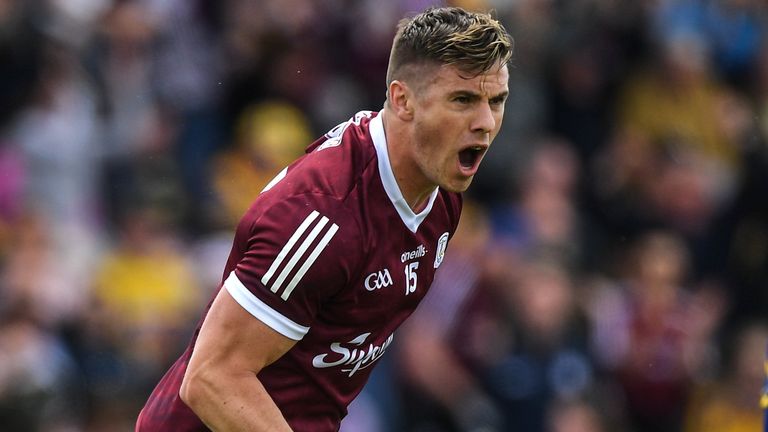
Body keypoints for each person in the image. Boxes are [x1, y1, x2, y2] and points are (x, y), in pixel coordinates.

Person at [135, 6, 513, 431]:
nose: (485, 123)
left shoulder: (440, 192)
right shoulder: (325, 216)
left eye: (496, 101)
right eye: (462, 100)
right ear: (402, 100)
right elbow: (211, 378)